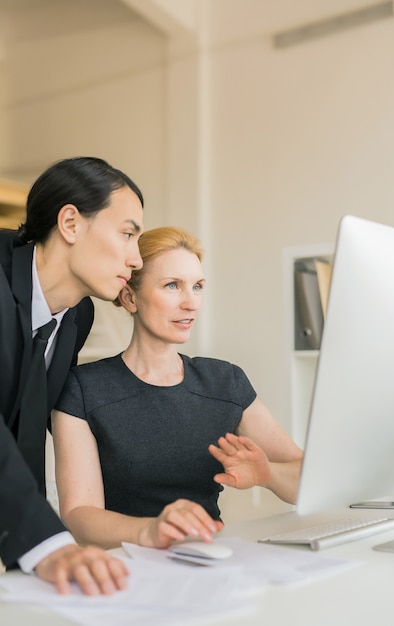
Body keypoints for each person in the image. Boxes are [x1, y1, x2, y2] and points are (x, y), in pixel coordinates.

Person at [52, 226, 303, 551]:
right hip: (122, 571)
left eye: (197, 287)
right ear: (130, 297)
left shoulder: (225, 382)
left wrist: (268, 474)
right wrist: (150, 530)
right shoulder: (84, 389)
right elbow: (79, 515)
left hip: (209, 563)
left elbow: (305, 480)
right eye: (172, 285)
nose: (191, 303)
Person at [0, 156, 145, 595]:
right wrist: (46, 544)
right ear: (70, 223)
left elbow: (31, 419)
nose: (136, 258)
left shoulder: (77, 315)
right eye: (127, 234)